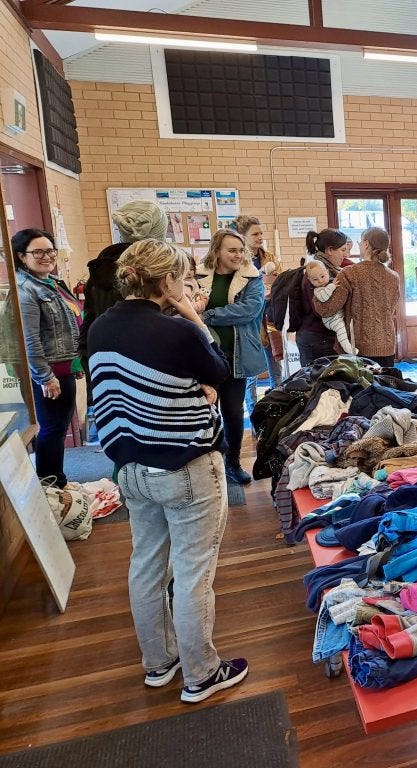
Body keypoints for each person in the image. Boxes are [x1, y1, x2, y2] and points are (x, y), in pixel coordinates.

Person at [87, 238, 248, 704]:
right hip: (186, 465)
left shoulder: (100, 327)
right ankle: (202, 674)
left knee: (146, 565)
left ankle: (158, 663)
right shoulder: (177, 331)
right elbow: (218, 371)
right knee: (194, 573)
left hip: (130, 466)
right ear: (166, 280)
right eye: (181, 276)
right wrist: (193, 316)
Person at [80, 200, 169, 442]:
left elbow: (88, 325)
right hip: (150, 370)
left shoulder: (100, 270)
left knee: (122, 440)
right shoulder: (149, 274)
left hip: (107, 367)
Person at [196, 229, 267, 485]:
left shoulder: (252, 278)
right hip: (205, 356)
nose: (238, 255)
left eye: (240, 250)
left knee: (233, 412)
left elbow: (249, 310)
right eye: (232, 250)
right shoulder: (199, 276)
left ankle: (233, 463)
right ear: (217, 251)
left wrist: (207, 315)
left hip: (237, 354)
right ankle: (210, 464)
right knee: (207, 413)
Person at [12, 229, 82, 487]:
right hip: (49, 373)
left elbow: (66, 327)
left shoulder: (51, 282)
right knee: (52, 428)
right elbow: (29, 340)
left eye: (50, 251)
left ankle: (54, 481)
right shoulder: (26, 290)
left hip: (62, 368)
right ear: (22, 256)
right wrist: (45, 377)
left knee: (58, 427)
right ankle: (52, 484)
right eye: (38, 252)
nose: (47, 256)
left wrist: (74, 363)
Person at [315, 227, 401, 367]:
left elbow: (328, 309)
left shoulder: (349, 273)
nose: (359, 245)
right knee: (385, 382)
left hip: (356, 348)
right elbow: (389, 310)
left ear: (366, 244)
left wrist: (317, 292)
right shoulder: (394, 277)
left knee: (360, 382)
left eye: (360, 242)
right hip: (387, 346)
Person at [233, 216, 283, 415]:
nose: (260, 237)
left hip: (269, 317)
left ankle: (277, 410)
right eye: (255, 234)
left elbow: (281, 281)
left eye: (261, 233)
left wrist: (273, 282)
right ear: (242, 237)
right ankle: (254, 414)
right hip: (248, 321)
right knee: (251, 372)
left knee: (276, 367)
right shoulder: (237, 262)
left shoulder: (270, 257)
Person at [296, 229, 353, 366]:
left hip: (321, 337)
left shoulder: (330, 270)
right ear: (329, 250)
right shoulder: (315, 272)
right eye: (343, 250)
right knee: (321, 379)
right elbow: (322, 309)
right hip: (317, 338)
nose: (346, 255)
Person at [304, 260, 356, 355]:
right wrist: (332, 286)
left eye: (322, 276)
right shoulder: (317, 290)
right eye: (315, 279)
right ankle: (347, 347)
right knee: (341, 330)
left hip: (337, 315)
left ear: (327, 272)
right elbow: (324, 297)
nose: (320, 281)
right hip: (331, 320)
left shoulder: (331, 282)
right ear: (310, 280)